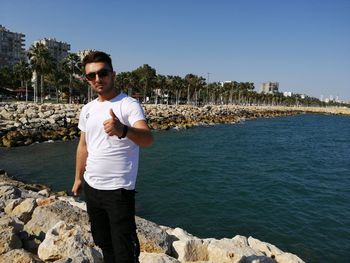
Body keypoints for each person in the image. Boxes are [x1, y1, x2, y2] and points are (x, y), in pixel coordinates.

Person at [72, 51, 153, 263]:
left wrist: (123, 130)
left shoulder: (128, 105)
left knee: (124, 251)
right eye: (91, 75)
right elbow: (83, 146)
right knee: (103, 242)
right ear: (87, 79)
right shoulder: (87, 109)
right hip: (92, 187)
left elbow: (147, 139)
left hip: (118, 191)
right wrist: (78, 178)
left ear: (113, 74)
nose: (98, 79)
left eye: (102, 73)